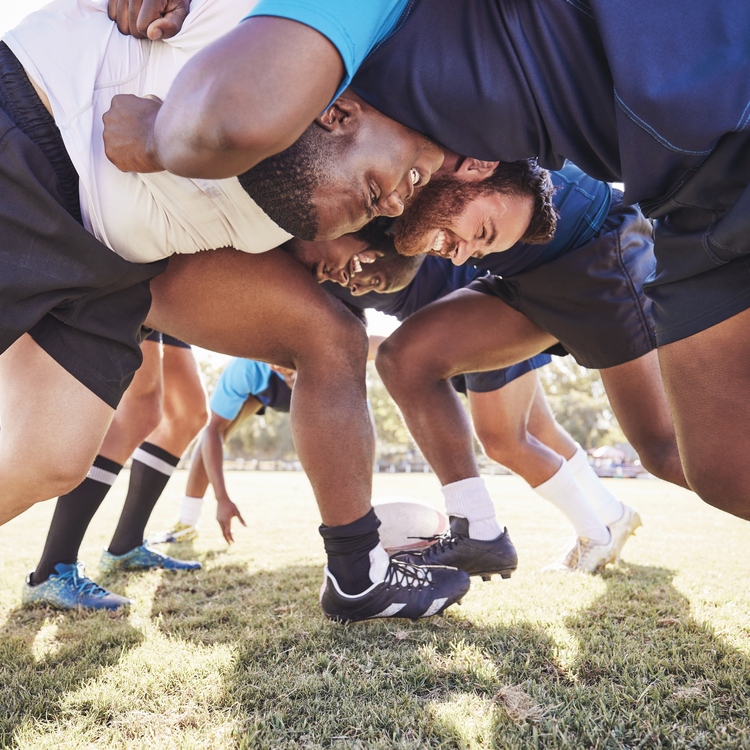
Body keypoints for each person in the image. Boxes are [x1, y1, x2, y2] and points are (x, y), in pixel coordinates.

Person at [109, 0, 750, 522]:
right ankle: (485, 525)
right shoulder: (399, 141)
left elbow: (226, 120)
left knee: (650, 445)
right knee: (715, 467)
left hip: (677, 155)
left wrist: (160, 138)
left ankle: (588, 518)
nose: (389, 199)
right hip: (685, 203)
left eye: (375, 198)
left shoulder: (411, 114)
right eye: (374, 207)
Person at [0, 0, 469, 621]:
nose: (392, 207)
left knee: (49, 460)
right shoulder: (281, 48)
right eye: (410, 176)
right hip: (34, 140)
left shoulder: (275, 222)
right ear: (340, 110)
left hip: (109, 268)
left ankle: (357, 571)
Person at [367, 162, 687, 575]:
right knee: (404, 360)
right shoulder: (432, 191)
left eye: (475, 239)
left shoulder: (480, 132)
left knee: (663, 452)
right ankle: (479, 530)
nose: (460, 254)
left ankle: (600, 526)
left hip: (594, 254)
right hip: (518, 279)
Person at [324, 243, 639, 574]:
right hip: (439, 321)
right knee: (539, 431)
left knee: (504, 441)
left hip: (466, 305)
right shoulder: (326, 279)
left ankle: (594, 536)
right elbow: (354, 334)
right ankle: (613, 514)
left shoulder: (343, 237)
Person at [22, 333, 207, 610]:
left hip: (187, 297)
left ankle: (127, 546)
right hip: (149, 290)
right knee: (139, 408)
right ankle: (53, 568)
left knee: (187, 413)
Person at [153, 358, 296, 546]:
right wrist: (222, 497)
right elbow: (214, 430)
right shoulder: (245, 368)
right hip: (259, 389)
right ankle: (187, 522)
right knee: (213, 432)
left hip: (322, 385)